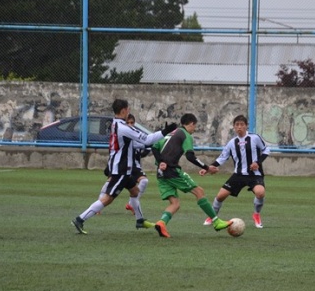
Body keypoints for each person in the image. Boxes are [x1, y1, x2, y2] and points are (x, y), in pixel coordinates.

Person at [72, 99, 176, 234]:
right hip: (121, 169)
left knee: (135, 192)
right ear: (123, 111)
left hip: (125, 169)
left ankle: (139, 220)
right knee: (107, 199)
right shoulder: (123, 128)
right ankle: (80, 219)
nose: (129, 111)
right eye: (128, 109)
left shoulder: (116, 124)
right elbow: (147, 140)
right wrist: (166, 131)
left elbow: (136, 143)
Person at [151, 113, 231, 238]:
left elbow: (154, 147)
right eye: (195, 126)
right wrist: (206, 167)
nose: (194, 129)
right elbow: (190, 156)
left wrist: (161, 161)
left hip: (160, 173)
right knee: (199, 192)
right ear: (192, 124)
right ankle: (216, 221)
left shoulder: (171, 133)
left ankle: (161, 223)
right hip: (172, 171)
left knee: (175, 203)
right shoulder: (185, 135)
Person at [202, 114, 270, 228]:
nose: (239, 127)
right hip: (238, 175)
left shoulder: (254, 138)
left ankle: (256, 214)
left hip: (254, 175)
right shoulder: (232, 142)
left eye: (242, 124)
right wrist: (208, 168)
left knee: (260, 193)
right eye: (237, 125)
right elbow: (222, 157)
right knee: (220, 196)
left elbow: (266, 149)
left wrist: (257, 163)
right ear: (234, 127)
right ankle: (212, 216)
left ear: (246, 126)